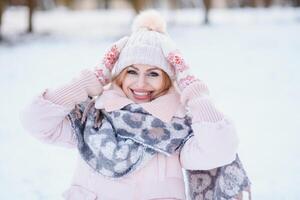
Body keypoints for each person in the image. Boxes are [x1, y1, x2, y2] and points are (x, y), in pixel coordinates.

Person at [20, 10, 250, 200]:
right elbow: (35, 120)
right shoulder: (93, 118)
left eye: (153, 73)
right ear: (117, 75)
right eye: (131, 71)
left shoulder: (179, 130)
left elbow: (220, 150)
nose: (140, 83)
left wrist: (194, 89)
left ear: (169, 79)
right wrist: (92, 80)